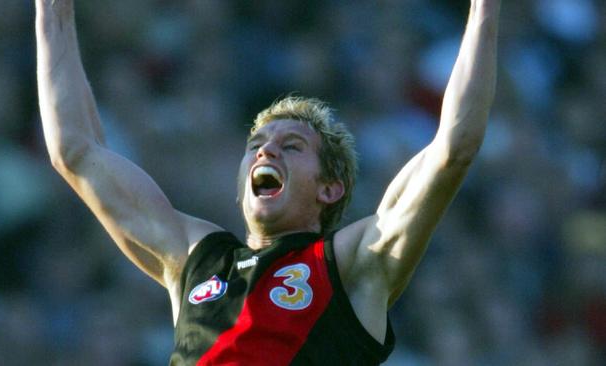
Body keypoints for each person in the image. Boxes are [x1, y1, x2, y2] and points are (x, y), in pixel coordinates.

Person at [35, 0, 501, 365]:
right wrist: (53, 12)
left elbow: (453, 147)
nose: (265, 150)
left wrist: (483, 9)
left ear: (329, 188)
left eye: (292, 145)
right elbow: (75, 150)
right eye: (255, 143)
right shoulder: (197, 259)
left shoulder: (352, 264)